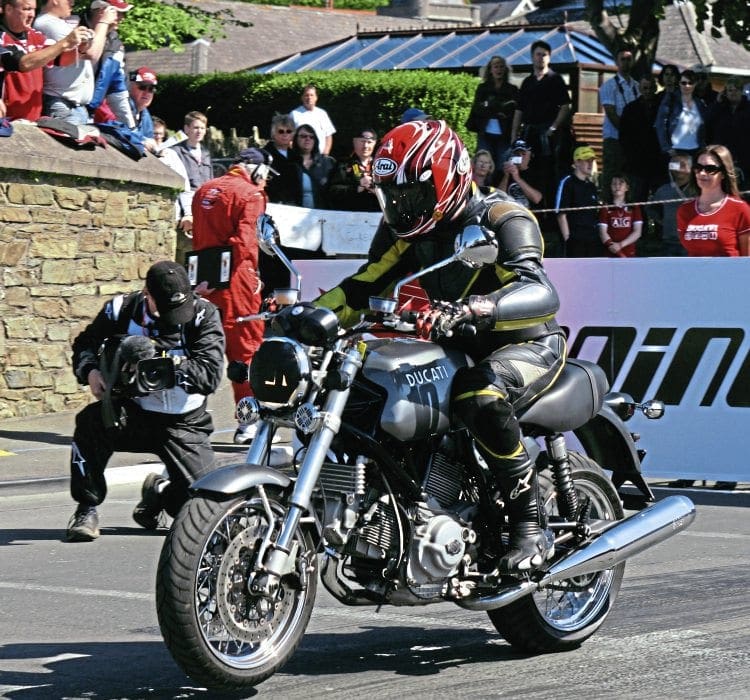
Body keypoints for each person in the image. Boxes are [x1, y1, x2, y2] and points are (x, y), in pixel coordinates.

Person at [315, 120, 564, 574]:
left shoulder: (503, 217)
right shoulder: (404, 230)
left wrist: (478, 307)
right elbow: (363, 286)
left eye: (414, 194)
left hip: (526, 345)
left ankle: (528, 524)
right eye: (393, 195)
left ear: (448, 175)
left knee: (478, 394)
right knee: (370, 389)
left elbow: (541, 290)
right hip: (453, 344)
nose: (403, 206)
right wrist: (310, 319)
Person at [66, 260, 225, 541]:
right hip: (134, 412)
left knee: (201, 510)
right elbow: (84, 344)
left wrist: (160, 358)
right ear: (147, 295)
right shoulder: (121, 310)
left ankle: (159, 493)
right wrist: (90, 371)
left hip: (185, 422)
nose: (173, 316)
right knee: (90, 423)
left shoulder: (203, 315)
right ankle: (86, 507)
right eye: (163, 307)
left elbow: (210, 375)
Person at [191, 148, 275, 444]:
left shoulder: (203, 190)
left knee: (200, 351)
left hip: (201, 279)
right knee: (246, 353)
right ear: (256, 169)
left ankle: (189, 420)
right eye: (265, 176)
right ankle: (248, 425)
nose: (265, 182)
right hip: (237, 282)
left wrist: (209, 277)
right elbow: (244, 244)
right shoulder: (251, 194)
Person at [0, 0, 94, 121]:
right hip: (8, 118)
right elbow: (23, 63)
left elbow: (61, 61)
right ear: (8, 9)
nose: (32, 15)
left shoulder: (36, 35)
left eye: (34, 9)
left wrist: (80, 48)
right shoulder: (2, 37)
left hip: (33, 118)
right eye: (27, 9)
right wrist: (65, 42)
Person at [510, 40, 572, 209]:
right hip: (529, 136)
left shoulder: (556, 79)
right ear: (532, 57)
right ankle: (532, 212)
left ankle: (550, 215)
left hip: (549, 138)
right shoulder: (527, 82)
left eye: (544, 54)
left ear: (549, 57)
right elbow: (519, 111)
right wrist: (514, 135)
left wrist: (553, 128)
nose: (541, 58)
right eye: (538, 54)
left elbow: (565, 107)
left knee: (550, 175)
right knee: (528, 173)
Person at [33, 0, 116, 125]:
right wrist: (103, 22)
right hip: (61, 103)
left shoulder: (59, 23)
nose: (73, 2)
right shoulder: (47, 23)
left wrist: (106, 27)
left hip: (73, 106)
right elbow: (91, 53)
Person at [676, 144, 750, 257]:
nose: (702, 173)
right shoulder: (684, 210)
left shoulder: (740, 209)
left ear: (723, 174)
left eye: (710, 169)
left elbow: (747, 259)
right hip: (694, 273)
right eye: (698, 167)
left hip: (729, 274)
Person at [170, 110, 213, 261]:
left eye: (202, 128)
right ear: (186, 129)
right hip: (186, 211)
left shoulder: (206, 153)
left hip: (205, 209)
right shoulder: (176, 152)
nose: (199, 131)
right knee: (185, 252)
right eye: (195, 127)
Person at [85, 0, 134, 128]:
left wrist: (131, 127)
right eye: (117, 12)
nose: (122, 18)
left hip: (89, 113)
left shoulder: (115, 43)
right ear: (102, 11)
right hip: (66, 105)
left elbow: (118, 90)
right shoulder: (76, 29)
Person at [599, 47, 640, 198]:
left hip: (632, 142)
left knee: (630, 178)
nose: (626, 62)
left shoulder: (637, 87)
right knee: (612, 177)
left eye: (629, 59)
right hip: (614, 139)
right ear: (616, 62)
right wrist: (627, 133)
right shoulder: (609, 86)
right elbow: (611, 113)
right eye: (622, 59)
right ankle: (607, 212)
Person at [466, 55, 519, 168]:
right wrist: (496, 109)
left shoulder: (512, 89)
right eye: (496, 67)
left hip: (505, 134)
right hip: (485, 133)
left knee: (502, 165)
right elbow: (477, 109)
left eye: (501, 67)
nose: (498, 70)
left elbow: (513, 110)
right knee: (483, 164)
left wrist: (490, 106)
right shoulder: (483, 88)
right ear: (490, 70)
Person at [619, 74, 664, 205]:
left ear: (655, 88)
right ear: (639, 88)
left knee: (659, 200)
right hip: (637, 162)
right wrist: (629, 158)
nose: (648, 91)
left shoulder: (662, 106)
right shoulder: (630, 109)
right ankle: (640, 225)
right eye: (645, 88)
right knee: (638, 200)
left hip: (658, 162)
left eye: (651, 88)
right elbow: (624, 136)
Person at [555, 144, 601, 257]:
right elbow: (561, 213)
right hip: (575, 239)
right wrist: (568, 239)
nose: (590, 164)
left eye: (592, 160)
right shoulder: (567, 182)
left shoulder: (591, 186)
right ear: (576, 163)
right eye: (586, 160)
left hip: (592, 238)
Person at [655, 69, 709, 164]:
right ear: (679, 83)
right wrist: (666, 147)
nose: (687, 86)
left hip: (695, 151)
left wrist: (702, 147)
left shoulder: (700, 103)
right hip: (675, 151)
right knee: (676, 178)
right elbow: (660, 124)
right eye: (683, 83)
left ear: (695, 84)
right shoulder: (670, 99)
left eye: (690, 83)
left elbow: (704, 127)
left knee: (692, 178)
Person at [706, 76, 750, 189]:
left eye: (736, 90)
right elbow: (708, 123)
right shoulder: (719, 108)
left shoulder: (748, 108)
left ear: (741, 91)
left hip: (744, 156)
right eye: (730, 90)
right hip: (721, 154)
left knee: (743, 189)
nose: (733, 93)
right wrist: (718, 103)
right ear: (725, 92)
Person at [647, 152, 694, 256]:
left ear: (691, 168)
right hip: (669, 241)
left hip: (693, 240)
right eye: (675, 165)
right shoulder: (663, 190)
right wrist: (663, 221)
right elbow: (651, 209)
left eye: (682, 164)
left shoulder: (699, 190)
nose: (678, 168)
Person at [328, 127, 380, 212]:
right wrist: (357, 188)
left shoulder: (380, 165)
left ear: (374, 144)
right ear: (354, 142)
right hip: (351, 215)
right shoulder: (344, 164)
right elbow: (333, 191)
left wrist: (377, 190)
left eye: (369, 142)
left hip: (377, 215)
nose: (366, 146)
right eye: (362, 141)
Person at [290, 123, 336, 209]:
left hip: (323, 215)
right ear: (296, 139)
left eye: (311, 137)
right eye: (303, 136)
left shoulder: (328, 163)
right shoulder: (289, 163)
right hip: (294, 213)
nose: (308, 139)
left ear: (315, 141)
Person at [598, 174, 642, 257]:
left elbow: (637, 232)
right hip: (610, 253)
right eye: (614, 184)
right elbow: (602, 232)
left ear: (627, 188)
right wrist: (612, 246)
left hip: (629, 254)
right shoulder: (606, 207)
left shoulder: (634, 207)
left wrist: (621, 245)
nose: (617, 186)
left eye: (621, 183)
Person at [290, 83, 335, 156]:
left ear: (316, 98)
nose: (309, 98)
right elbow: (290, 137)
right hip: (300, 157)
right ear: (302, 97)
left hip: (320, 157)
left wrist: (326, 153)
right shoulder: (294, 114)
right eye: (306, 95)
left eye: (311, 95)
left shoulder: (322, 113)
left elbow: (328, 135)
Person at [497, 139, 543, 210]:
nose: (520, 157)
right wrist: (506, 176)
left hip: (529, 217)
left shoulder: (537, 173)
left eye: (523, 154)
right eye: (517, 154)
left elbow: (536, 199)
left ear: (530, 155)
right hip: (509, 216)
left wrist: (517, 178)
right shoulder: (503, 172)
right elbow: (497, 199)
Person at [126, 65, 157, 149]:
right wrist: (142, 140)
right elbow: (121, 132)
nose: (147, 92)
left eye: (151, 89)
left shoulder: (145, 114)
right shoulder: (124, 107)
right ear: (130, 87)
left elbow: (149, 139)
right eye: (142, 87)